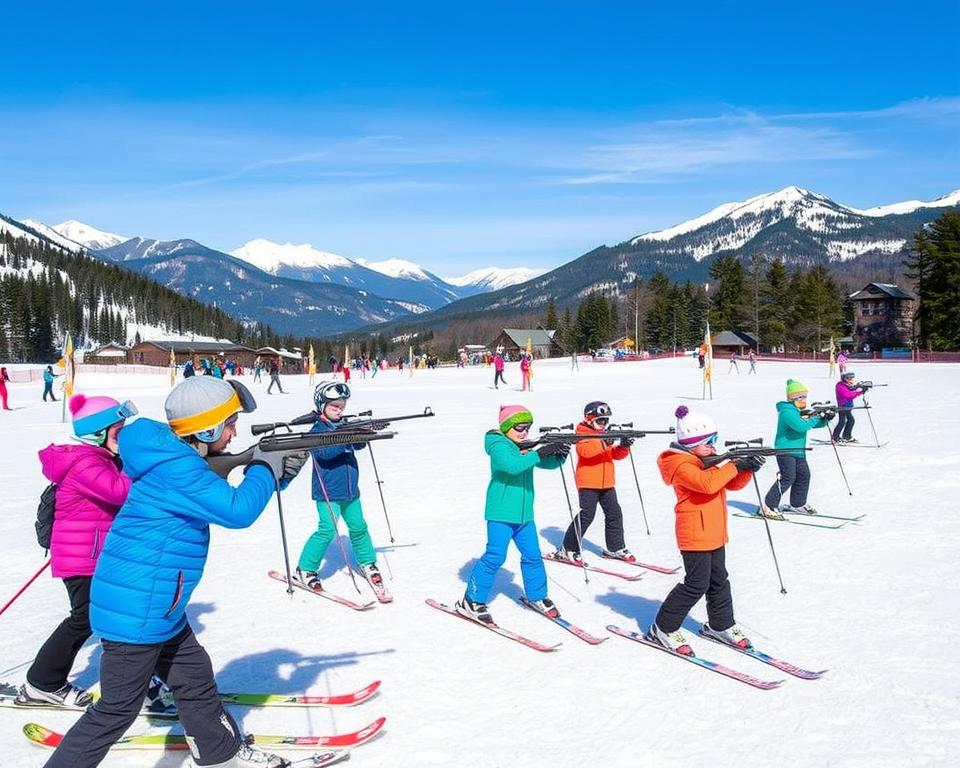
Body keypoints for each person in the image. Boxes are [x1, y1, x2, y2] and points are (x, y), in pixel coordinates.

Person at [41, 376, 308, 768]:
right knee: (116, 710)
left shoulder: (171, 457)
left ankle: (220, 753)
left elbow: (215, 498)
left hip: (155, 603)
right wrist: (264, 471)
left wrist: (273, 474)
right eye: (230, 422)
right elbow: (237, 511)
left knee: (194, 677)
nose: (235, 431)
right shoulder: (180, 470)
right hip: (140, 610)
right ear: (206, 428)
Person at [17, 395, 135, 709]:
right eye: (117, 431)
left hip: (91, 553)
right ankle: (43, 682)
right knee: (85, 619)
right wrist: (137, 465)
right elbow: (121, 492)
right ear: (97, 432)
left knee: (109, 617)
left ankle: (138, 681)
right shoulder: (85, 462)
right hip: (82, 556)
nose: (122, 437)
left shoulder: (96, 457)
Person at [645, 406, 762, 655]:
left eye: (715, 441)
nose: (713, 446)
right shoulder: (680, 465)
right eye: (709, 442)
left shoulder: (702, 460)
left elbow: (730, 484)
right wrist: (733, 465)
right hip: (695, 535)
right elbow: (707, 484)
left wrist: (746, 468)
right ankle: (663, 627)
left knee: (719, 580)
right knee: (696, 584)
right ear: (692, 444)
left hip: (714, 532)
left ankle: (721, 624)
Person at [455, 405, 569, 624]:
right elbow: (512, 466)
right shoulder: (498, 445)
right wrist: (538, 452)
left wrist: (560, 455)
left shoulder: (521, 446)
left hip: (525, 515)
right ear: (507, 427)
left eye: (527, 427)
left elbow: (545, 463)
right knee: (495, 556)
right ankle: (472, 600)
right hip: (501, 513)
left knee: (533, 555)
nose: (524, 431)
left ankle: (537, 596)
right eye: (519, 427)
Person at [295, 381, 389, 601]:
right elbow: (325, 454)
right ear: (322, 405)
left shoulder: (343, 425)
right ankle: (305, 569)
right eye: (334, 406)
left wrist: (362, 435)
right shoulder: (317, 430)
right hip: (327, 493)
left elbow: (356, 446)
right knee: (327, 530)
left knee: (359, 527)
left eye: (342, 406)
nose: (339, 410)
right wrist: (345, 437)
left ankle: (367, 562)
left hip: (350, 492)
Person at [556, 401, 634, 563]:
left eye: (606, 421)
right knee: (586, 515)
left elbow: (615, 455)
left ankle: (615, 547)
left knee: (614, 514)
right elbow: (585, 452)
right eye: (600, 421)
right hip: (588, 483)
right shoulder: (581, 434)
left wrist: (624, 447)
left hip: (607, 483)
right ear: (589, 419)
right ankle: (568, 548)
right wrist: (605, 442)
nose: (604, 424)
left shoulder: (603, 435)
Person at [762, 379, 831, 519]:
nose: (803, 399)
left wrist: (826, 419)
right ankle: (769, 505)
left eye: (805, 396)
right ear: (792, 398)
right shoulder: (787, 412)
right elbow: (800, 427)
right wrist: (817, 417)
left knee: (804, 475)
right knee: (788, 477)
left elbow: (812, 424)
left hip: (799, 451)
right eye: (800, 397)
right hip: (785, 450)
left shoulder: (797, 411)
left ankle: (797, 504)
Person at [833, 371, 868, 443]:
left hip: (848, 406)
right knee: (842, 421)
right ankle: (835, 437)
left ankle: (847, 436)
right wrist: (860, 392)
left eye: (851, 378)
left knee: (851, 420)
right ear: (844, 378)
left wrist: (859, 387)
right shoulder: (840, 385)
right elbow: (848, 395)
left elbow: (851, 389)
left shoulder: (846, 385)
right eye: (848, 378)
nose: (850, 380)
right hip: (843, 406)